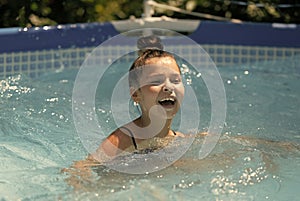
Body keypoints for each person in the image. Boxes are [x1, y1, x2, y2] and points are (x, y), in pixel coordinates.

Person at [94, 35, 185, 159]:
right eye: (156, 81)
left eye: (175, 80)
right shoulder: (121, 141)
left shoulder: (178, 139)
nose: (168, 87)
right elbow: (84, 168)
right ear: (136, 94)